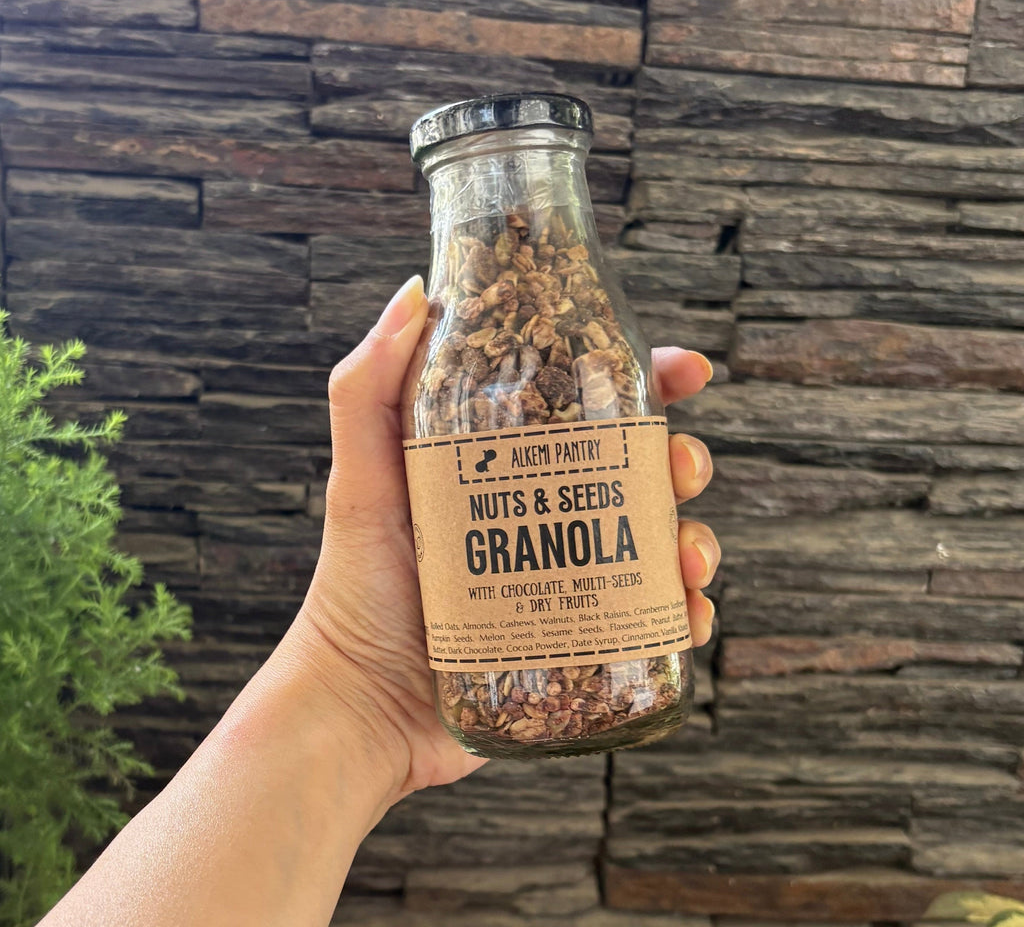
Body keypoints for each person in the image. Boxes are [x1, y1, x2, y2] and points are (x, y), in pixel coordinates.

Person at [40, 275, 720, 927]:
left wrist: (359, 705)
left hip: (626, 675)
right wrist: (358, 686)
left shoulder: (496, 349)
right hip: (459, 679)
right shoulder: (459, 350)